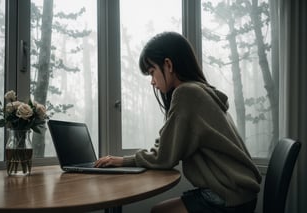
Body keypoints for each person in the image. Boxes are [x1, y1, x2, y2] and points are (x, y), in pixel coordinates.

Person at [94, 32, 262, 213]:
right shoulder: (200, 91)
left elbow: (165, 157)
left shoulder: (186, 93)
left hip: (228, 196)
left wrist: (122, 161)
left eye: (152, 72)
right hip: (240, 193)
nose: (152, 82)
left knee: (159, 211)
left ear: (168, 65)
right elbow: (170, 141)